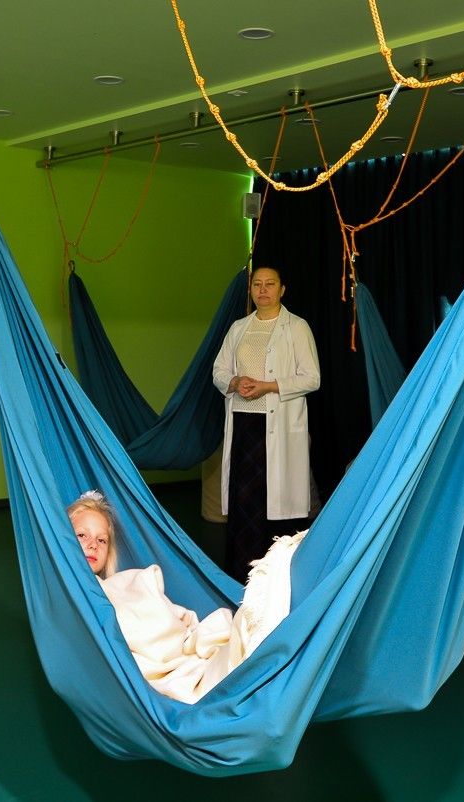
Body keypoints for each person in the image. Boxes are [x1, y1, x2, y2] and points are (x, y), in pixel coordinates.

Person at [67, 490, 304, 703]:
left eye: (102, 540)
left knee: (245, 632)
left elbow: (178, 620)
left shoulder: (132, 581)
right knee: (236, 662)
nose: (93, 545)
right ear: (64, 540)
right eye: (82, 535)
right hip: (162, 671)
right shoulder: (74, 600)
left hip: (185, 656)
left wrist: (189, 636)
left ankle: (280, 613)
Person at [212, 266, 320, 580]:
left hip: (278, 427)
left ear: (282, 289)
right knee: (244, 503)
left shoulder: (297, 327)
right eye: (257, 284)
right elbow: (218, 371)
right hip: (244, 427)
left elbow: (312, 378)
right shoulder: (239, 328)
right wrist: (235, 382)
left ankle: (275, 577)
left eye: (270, 284)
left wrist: (268, 386)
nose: (263, 289)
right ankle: (240, 575)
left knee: (276, 506)